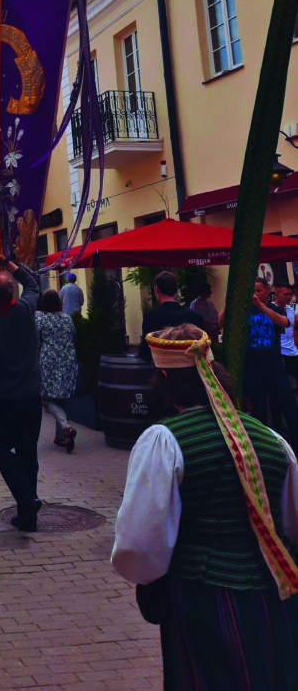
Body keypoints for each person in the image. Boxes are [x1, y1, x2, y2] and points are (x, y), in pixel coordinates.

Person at [111, 324, 298, 690]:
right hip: (276, 596)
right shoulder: (273, 439)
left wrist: (145, 578)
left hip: (203, 599)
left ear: (164, 378)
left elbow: (140, 543)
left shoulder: (164, 440)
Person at [0, 263, 42, 531]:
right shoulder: (26, 311)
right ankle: (29, 514)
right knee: (28, 452)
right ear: (12, 291)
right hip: (31, 396)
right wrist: (14, 266)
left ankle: (27, 499)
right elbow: (34, 284)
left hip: (5, 399)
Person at [237, 277, 298, 451]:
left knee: (290, 406)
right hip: (253, 367)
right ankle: (264, 450)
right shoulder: (244, 310)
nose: (255, 294)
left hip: (274, 366)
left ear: (267, 291)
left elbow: (284, 323)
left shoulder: (274, 309)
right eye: (252, 291)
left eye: (258, 290)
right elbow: (220, 323)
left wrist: (261, 306)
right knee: (259, 412)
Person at [35, 288, 78, 452]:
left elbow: (37, 343)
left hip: (49, 361)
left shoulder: (42, 321)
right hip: (67, 360)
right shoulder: (67, 319)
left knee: (47, 397)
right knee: (62, 397)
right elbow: (73, 336)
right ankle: (60, 437)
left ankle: (66, 428)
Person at [139, 272, 205, 363]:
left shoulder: (151, 316)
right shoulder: (194, 316)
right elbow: (202, 348)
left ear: (156, 289)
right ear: (176, 289)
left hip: (163, 369)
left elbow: (145, 352)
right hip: (190, 370)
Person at [274, 279, 298, 384]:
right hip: (279, 353)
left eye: (290, 294)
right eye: (286, 294)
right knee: (281, 386)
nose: (289, 297)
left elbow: (292, 330)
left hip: (292, 351)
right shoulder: (270, 309)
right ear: (277, 294)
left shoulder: (290, 310)